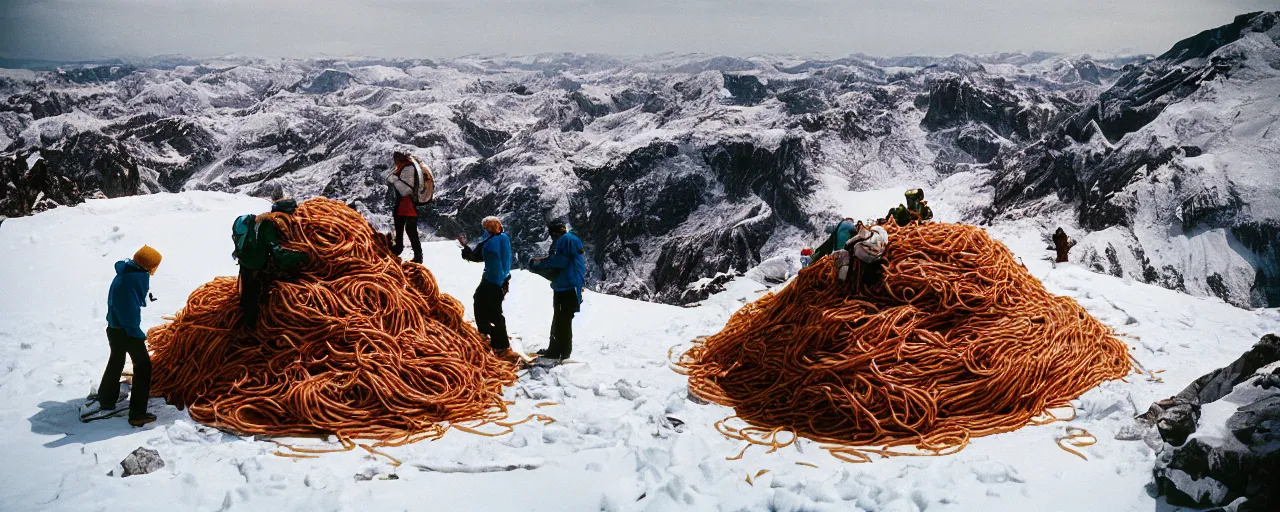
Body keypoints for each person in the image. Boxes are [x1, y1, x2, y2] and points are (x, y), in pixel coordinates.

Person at [94, 245, 162, 427]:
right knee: (143, 366)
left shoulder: (125, 272)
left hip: (114, 328)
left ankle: (106, 398)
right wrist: (135, 333)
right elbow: (129, 311)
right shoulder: (134, 279)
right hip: (126, 330)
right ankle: (138, 414)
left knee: (116, 359)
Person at [235, 198, 308, 329]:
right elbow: (278, 253)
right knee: (252, 296)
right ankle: (250, 331)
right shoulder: (268, 226)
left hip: (246, 259)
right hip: (255, 263)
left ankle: (245, 315)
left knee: (248, 292)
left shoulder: (259, 220)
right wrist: (303, 257)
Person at [529, 220, 586, 361]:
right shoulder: (571, 239)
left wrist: (539, 263)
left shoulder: (563, 240)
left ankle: (558, 352)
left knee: (561, 320)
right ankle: (558, 350)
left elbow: (560, 262)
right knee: (563, 319)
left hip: (566, 287)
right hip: (570, 286)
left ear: (554, 233)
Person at [458, 216, 513, 355]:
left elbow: (475, 256)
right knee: (492, 308)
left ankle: (494, 340)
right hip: (502, 279)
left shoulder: (489, 242)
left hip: (491, 279)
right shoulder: (503, 238)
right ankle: (496, 339)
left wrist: (465, 248)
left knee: (483, 305)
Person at [387, 151, 424, 263]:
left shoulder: (407, 169)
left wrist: (394, 179)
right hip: (407, 205)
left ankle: (402, 250)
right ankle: (414, 254)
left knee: (406, 229)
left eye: (395, 160)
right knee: (408, 229)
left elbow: (406, 190)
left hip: (406, 205)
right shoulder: (405, 167)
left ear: (398, 160)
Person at [842, 220, 889, 286]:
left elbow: (850, 242)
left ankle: (853, 281)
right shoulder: (883, 240)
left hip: (862, 254)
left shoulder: (869, 233)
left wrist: (847, 246)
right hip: (870, 257)